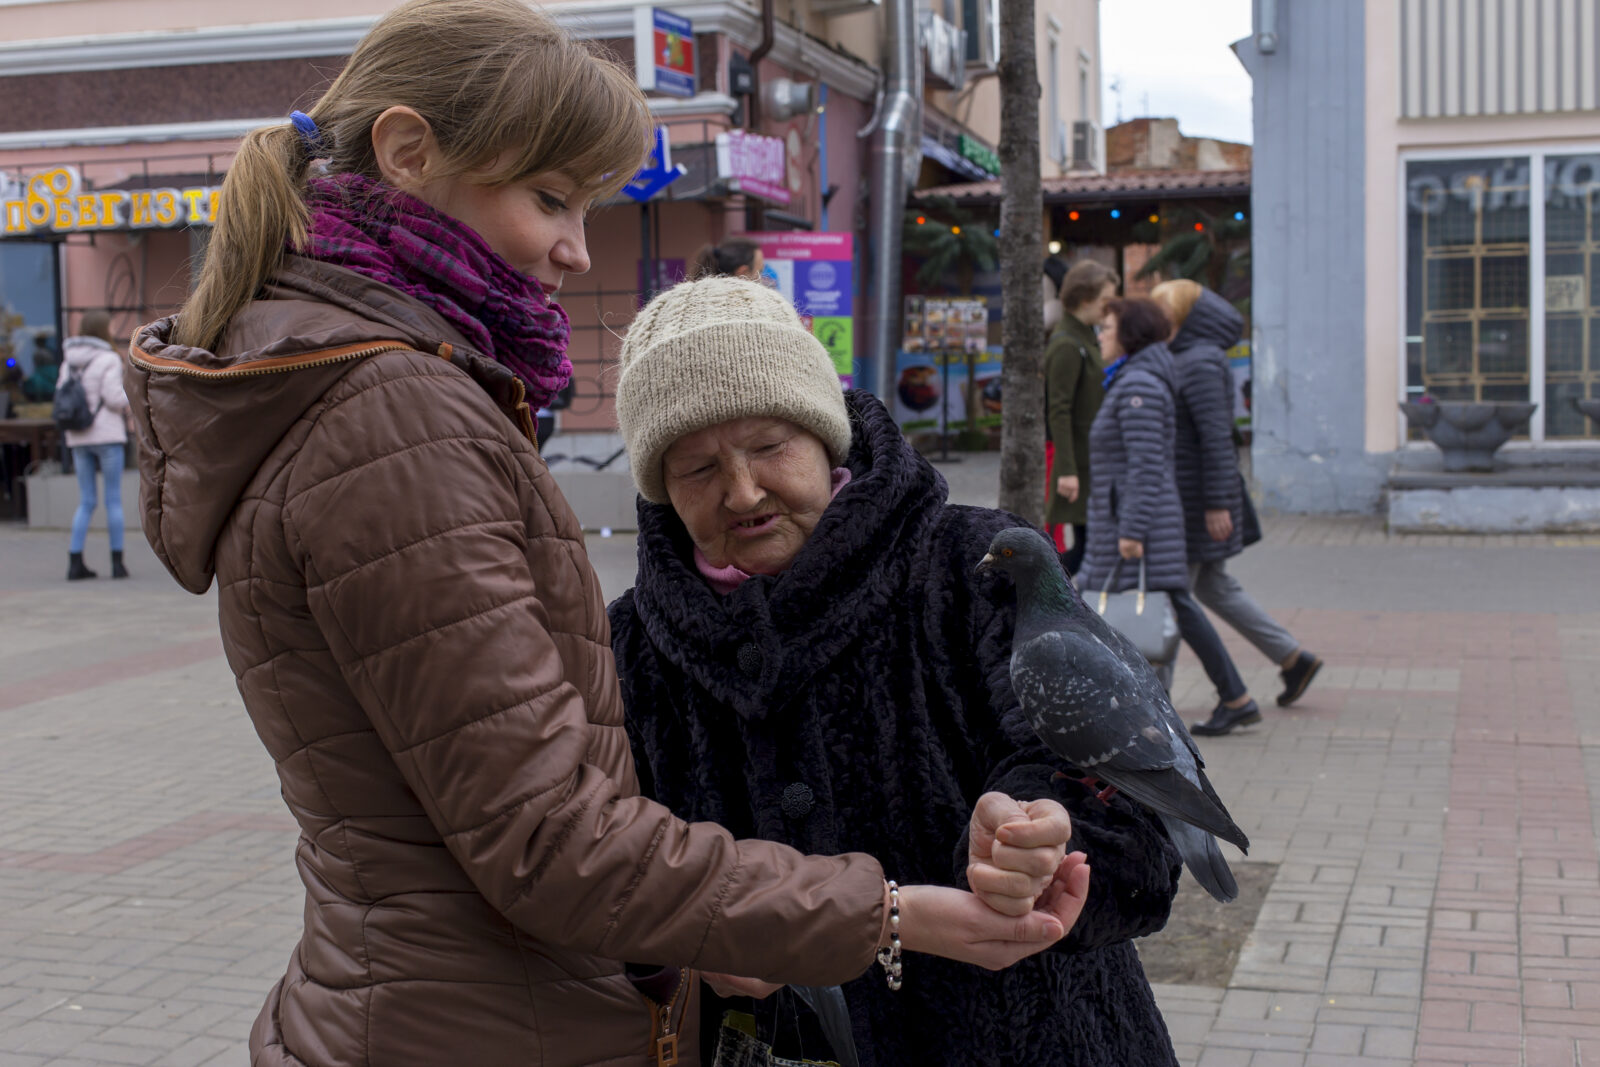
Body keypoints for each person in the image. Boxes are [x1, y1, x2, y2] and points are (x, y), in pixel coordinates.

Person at [121, 4, 1084, 1064]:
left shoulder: (363, 385)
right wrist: (889, 910)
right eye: (550, 199)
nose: (578, 250)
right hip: (476, 1025)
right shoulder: (393, 413)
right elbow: (547, 841)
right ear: (408, 153)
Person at [609, 275, 1182, 1067]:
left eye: (770, 444)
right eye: (697, 468)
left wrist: (1042, 840)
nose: (742, 490)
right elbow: (606, 871)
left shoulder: (974, 571)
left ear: (826, 435)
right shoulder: (633, 646)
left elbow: (1133, 822)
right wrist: (675, 948)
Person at [1151, 280, 1322, 730]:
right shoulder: (1187, 357)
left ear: (1183, 317)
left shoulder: (1200, 361)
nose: (1157, 324)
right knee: (1212, 587)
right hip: (1191, 496)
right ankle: (1291, 657)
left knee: (1169, 597)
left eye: (1163, 314)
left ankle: (1158, 702)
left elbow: (1218, 441)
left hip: (1194, 501)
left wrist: (1217, 504)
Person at [1078, 299, 1257, 721]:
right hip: (1133, 519)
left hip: (1139, 524)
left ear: (1130, 335)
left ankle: (1152, 712)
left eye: (1106, 328)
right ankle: (1233, 697)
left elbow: (1146, 464)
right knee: (1177, 605)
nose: (1100, 334)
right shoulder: (1132, 379)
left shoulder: (1139, 385)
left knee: (1152, 606)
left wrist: (1133, 530)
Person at [1044, 260, 1118, 574]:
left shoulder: (1086, 338)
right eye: (1106, 301)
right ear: (1085, 300)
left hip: (1091, 460)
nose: (1109, 308)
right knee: (1085, 550)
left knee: (1088, 547)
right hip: (1080, 464)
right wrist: (1068, 470)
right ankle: (1025, 593)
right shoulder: (1067, 344)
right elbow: (1058, 411)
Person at [58, 310, 130, 581]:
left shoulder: (69, 362)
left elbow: (61, 394)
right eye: (110, 325)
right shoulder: (109, 358)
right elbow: (113, 398)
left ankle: (75, 562)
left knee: (86, 501)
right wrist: (133, 394)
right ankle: (117, 564)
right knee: (112, 499)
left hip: (78, 437)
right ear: (103, 329)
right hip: (107, 436)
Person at [690, 236, 765, 280]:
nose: (762, 279)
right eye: (760, 272)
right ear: (743, 273)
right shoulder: (752, 305)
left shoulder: (689, 300)